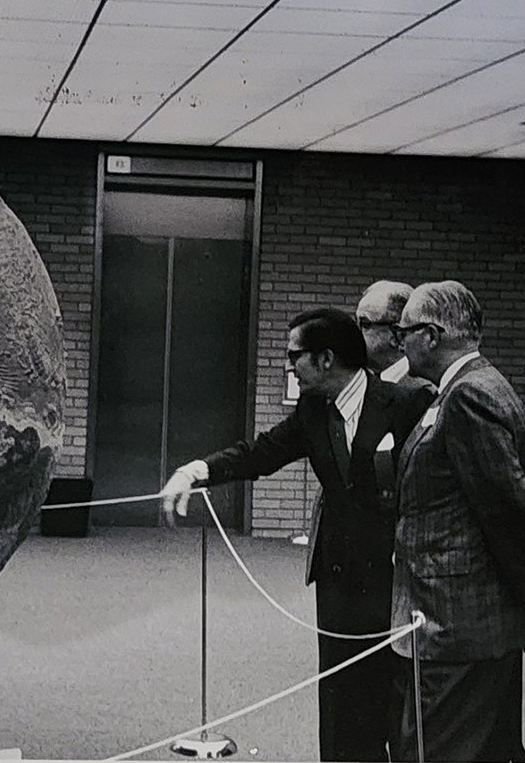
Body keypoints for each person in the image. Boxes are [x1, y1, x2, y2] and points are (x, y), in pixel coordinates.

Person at [160, 308, 433, 762]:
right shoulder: (312, 410)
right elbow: (262, 453)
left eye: (295, 356)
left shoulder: (405, 405)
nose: (289, 367)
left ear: (326, 360)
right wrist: (197, 471)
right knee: (341, 702)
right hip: (339, 581)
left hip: (394, 583)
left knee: (396, 700)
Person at [387, 280, 525, 763]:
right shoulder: (471, 388)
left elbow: (508, 505)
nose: (397, 343)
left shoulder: (469, 397)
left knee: (435, 751)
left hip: (459, 623)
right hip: (466, 619)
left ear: (430, 335)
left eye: (402, 332)